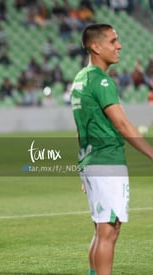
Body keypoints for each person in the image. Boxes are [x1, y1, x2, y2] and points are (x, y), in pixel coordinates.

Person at [70, 23, 153, 275]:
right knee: (109, 231)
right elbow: (121, 123)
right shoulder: (101, 81)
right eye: (113, 41)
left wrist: (83, 165)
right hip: (107, 161)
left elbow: (80, 128)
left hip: (92, 160)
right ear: (96, 46)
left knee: (101, 229)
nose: (119, 46)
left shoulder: (80, 79)